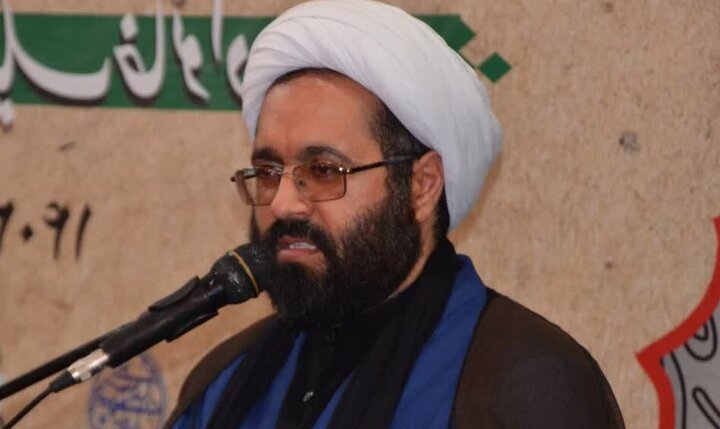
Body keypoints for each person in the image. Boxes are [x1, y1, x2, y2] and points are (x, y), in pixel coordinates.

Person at [165, 1, 625, 428]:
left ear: (422, 185)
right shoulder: (223, 383)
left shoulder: (522, 385)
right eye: (268, 171)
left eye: (323, 170)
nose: (282, 204)